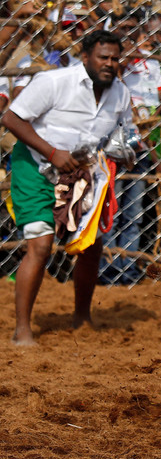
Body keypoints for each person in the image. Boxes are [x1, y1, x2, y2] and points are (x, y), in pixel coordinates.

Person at [1, 30, 133, 345]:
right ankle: (23, 329)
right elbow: (11, 119)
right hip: (35, 167)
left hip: (83, 175)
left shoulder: (121, 94)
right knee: (41, 244)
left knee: (91, 245)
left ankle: (82, 317)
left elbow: (126, 132)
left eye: (115, 58)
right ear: (85, 56)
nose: (110, 64)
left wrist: (123, 151)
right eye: (103, 57)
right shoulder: (54, 82)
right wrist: (52, 153)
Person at [100, 9, 161, 284]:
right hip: (109, 144)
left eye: (132, 30)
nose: (127, 35)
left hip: (140, 144)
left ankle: (128, 269)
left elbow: (159, 103)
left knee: (134, 211)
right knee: (109, 207)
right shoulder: (107, 65)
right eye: (121, 29)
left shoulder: (151, 65)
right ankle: (106, 268)